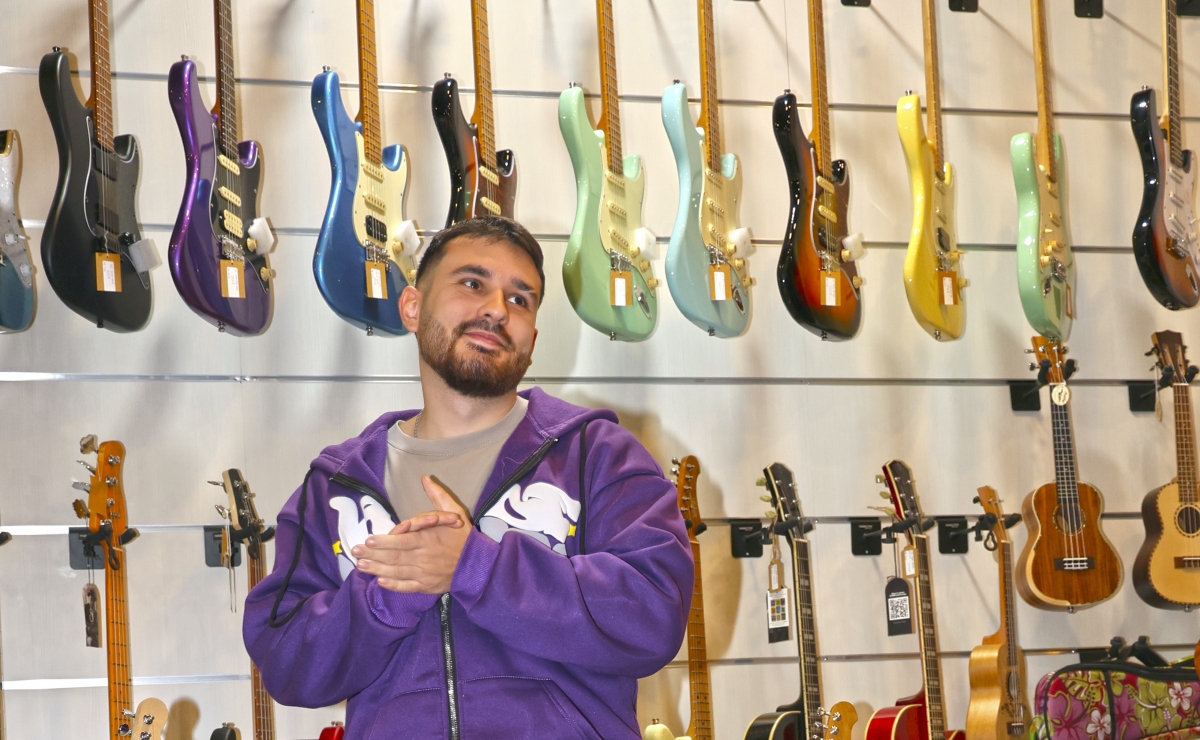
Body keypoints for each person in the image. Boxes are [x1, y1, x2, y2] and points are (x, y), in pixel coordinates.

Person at [243, 216, 693, 739]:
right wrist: (393, 592)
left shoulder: (599, 454)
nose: (497, 309)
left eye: (520, 299)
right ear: (412, 306)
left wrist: (475, 567)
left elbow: (652, 615)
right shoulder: (335, 485)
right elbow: (286, 662)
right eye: (472, 283)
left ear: (532, 337)